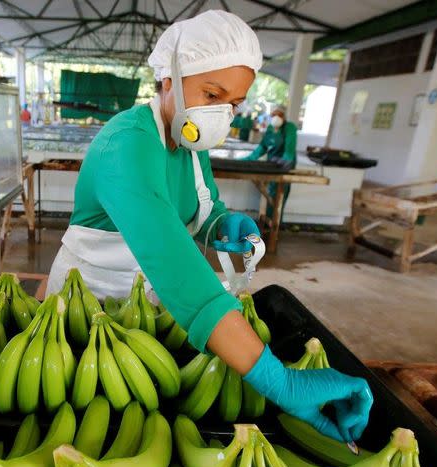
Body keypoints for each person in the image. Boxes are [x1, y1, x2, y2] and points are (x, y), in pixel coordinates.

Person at [46, 10, 372, 442]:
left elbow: (202, 206)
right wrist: (280, 381)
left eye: (233, 103)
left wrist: (221, 223)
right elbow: (176, 265)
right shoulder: (126, 145)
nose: (223, 112)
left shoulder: (188, 141)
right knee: (89, 411)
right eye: (211, 92)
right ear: (169, 80)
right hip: (89, 301)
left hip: (148, 297)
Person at [244, 105, 297, 217]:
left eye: (280, 115)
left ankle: (275, 224)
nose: (276, 117)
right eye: (274, 115)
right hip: (271, 165)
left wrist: (285, 161)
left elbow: (289, 149)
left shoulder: (289, 127)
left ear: (284, 116)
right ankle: (266, 223)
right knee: (269, 194)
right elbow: (263, 147)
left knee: (279, 198)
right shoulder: (270, 129)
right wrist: (248, 159)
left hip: (284, 166)